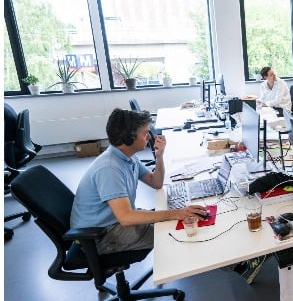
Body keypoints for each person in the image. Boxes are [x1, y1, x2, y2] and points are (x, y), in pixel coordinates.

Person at [71, 109, 208, 255]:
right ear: (129, 138)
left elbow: (156, 183)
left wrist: (159, 156)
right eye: (145, 133)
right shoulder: (110, 168)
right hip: (100, 236)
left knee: (178, 220)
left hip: (114, 223)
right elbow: (126, 217)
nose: (149, 137)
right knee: (174, 233)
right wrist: (176, 213)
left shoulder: (127, 157)